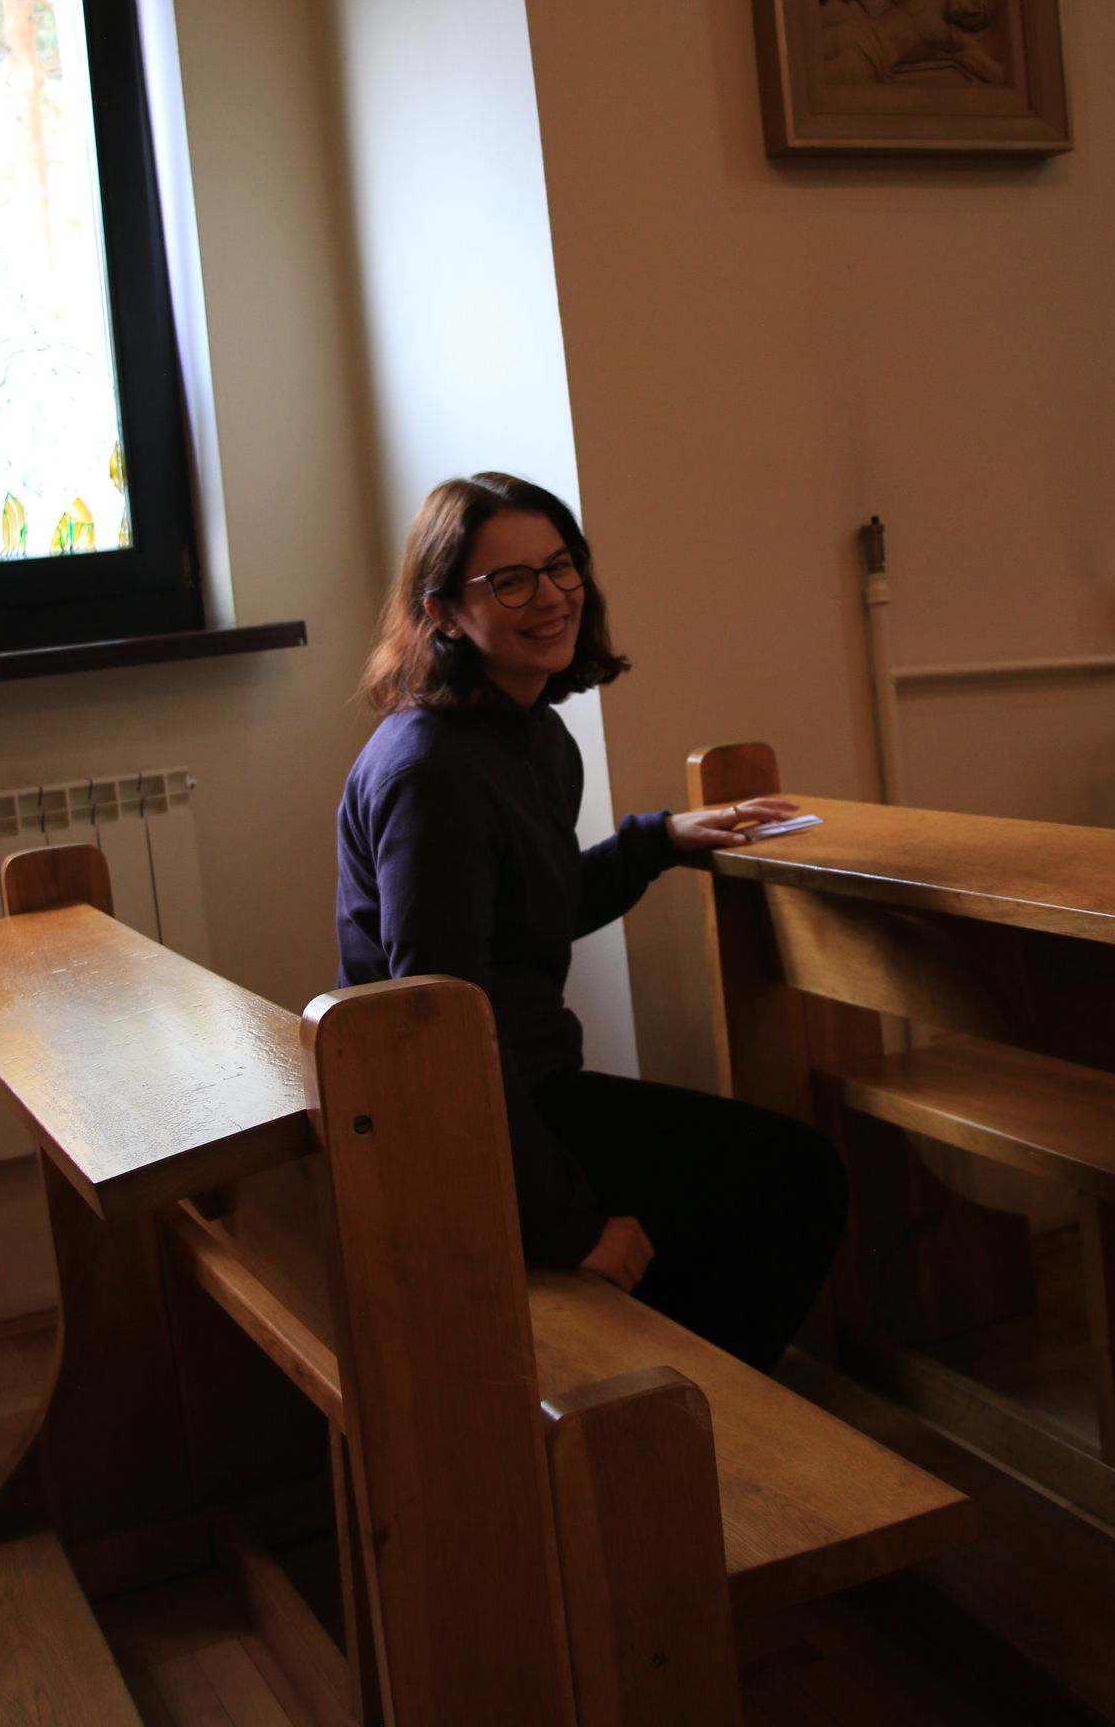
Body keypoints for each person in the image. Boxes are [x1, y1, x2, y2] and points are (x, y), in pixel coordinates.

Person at [336, 472, 847, 1371]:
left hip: (524, 1081)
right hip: (451, 1120)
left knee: (757, 1187)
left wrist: (660, 841)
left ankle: (688, 1404)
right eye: (510, 581)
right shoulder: (432, 773)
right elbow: (439, 1029)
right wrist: (567, 1224)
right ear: (443, 612)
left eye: (560, 565)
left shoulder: (531, 735)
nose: (551, 596)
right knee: (793, 1179)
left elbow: (538, 909)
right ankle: (702, 1419)